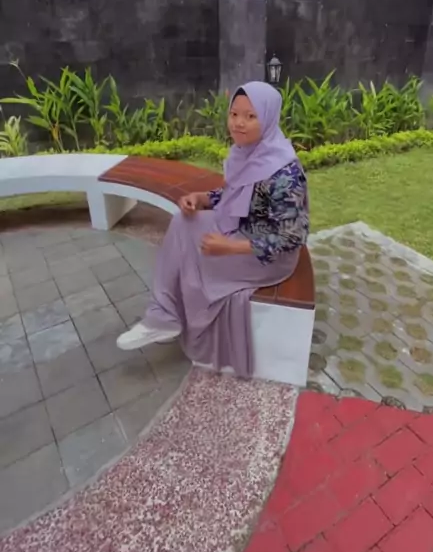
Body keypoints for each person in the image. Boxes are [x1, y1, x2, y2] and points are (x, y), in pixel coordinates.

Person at [116, 81, 309, 378]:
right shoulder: (247, 152)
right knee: (183, 222)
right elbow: (234, 194)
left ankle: (188, 328)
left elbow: (292, 236)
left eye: (250, 116)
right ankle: (163, 316)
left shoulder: (285, 172)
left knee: (196, 257)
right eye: (234, 114)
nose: (239, 123)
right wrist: (202, 198)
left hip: (269, 257)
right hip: (239, 227)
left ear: (269, 119)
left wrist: (230, 247)